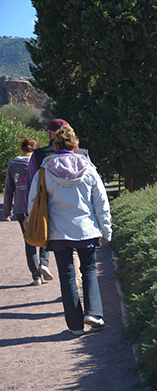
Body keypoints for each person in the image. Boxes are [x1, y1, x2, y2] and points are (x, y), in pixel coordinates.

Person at [28, 125, 111, 336]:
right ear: (75, 147)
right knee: (89, 271)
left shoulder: (44, 171)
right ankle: (94, 313)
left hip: (58, 233)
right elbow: (101, 203)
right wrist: (106, 231)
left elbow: (33, 204)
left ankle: (75, 325)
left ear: (55, 146)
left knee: (67, 277)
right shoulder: (89, 169)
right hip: (86, 230)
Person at [4, 137, 52, 285]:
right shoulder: (40, 161)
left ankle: (36, 276)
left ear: (22, 149)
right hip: (40, 206)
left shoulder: (13, 165)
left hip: (20, 208)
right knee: (45, 234)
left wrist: (7, 211)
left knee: (29, 240)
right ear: (35, 149)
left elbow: (8, 190)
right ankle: (44, 263)